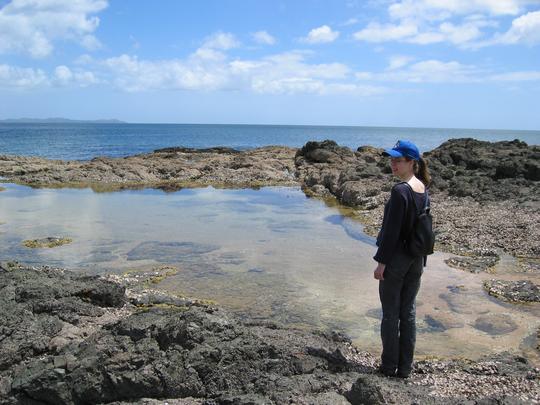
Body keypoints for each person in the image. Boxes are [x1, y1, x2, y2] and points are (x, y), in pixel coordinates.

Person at [373, 140, 431, 378]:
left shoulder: (400, 191)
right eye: (392, 159)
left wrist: (381, 263)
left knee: (390, 314)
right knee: (407, 313)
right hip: (416, 260)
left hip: (396, 261)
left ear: (411, 162)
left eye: (398, 160)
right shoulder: (421, 187)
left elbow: (391, 232)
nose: (393, 164)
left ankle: (388, 367)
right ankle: (405, 368)